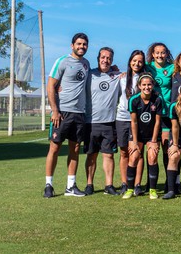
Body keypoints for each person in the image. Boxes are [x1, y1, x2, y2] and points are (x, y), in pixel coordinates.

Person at [44, 33, 91, 198]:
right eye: (79, 44)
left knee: (75, 149)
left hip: (79, 114)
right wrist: (55, 110)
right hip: (62, 113)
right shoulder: (62, 61)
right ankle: (48, 185)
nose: (81, 47)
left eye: (84, 44)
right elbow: (50, 86)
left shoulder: (86, 64)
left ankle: (70, 186)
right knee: (55, 148)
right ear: (72, 45)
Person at [84, 47, 123, 196]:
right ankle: (89, 184)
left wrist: (123, 72)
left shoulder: (117, 75)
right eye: (103, 57)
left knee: (109, 155)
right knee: (91, 155)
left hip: (109, 123)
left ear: (112, 60)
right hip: (91, 122)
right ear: (98, 58)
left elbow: (131, 75)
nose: (105, 60)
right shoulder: (90, 75)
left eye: (108, 58)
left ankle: (109, 185)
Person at [123, 73, 162, 199]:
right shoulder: (133, 100)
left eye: (149, 84)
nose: (147, 87)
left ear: (153, 86)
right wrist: (134, 141)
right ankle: (130, 189)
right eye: (144, 85)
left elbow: (157, 122)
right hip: (137, 134)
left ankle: (152, 189)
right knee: (133, 157)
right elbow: (133, 122)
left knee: (152, 157)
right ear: (139, 86)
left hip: (151, 134)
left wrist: (155, 140)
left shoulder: (157, 99)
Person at [116, 50, 146, 195]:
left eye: (140, 61)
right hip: (122, 119)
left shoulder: (145, 78)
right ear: (130, 61)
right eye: (134, 60)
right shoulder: (121, 78)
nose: (137, 63)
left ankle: (137, 184)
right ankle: (125, 183)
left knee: (138, 152)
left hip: (139, 121)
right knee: (124, 153)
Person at [145, 42, 174, 193]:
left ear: (167, 53)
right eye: (157, 52)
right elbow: (133, 68)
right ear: (152, 54)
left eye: (163, 52)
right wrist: (120, 71)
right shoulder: (147, 66)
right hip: (150, 113)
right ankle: (148, 183)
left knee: (167, 149)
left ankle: (172, 181)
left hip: (167, 113)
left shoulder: (172, 67)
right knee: (151, 149)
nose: (160, 55)